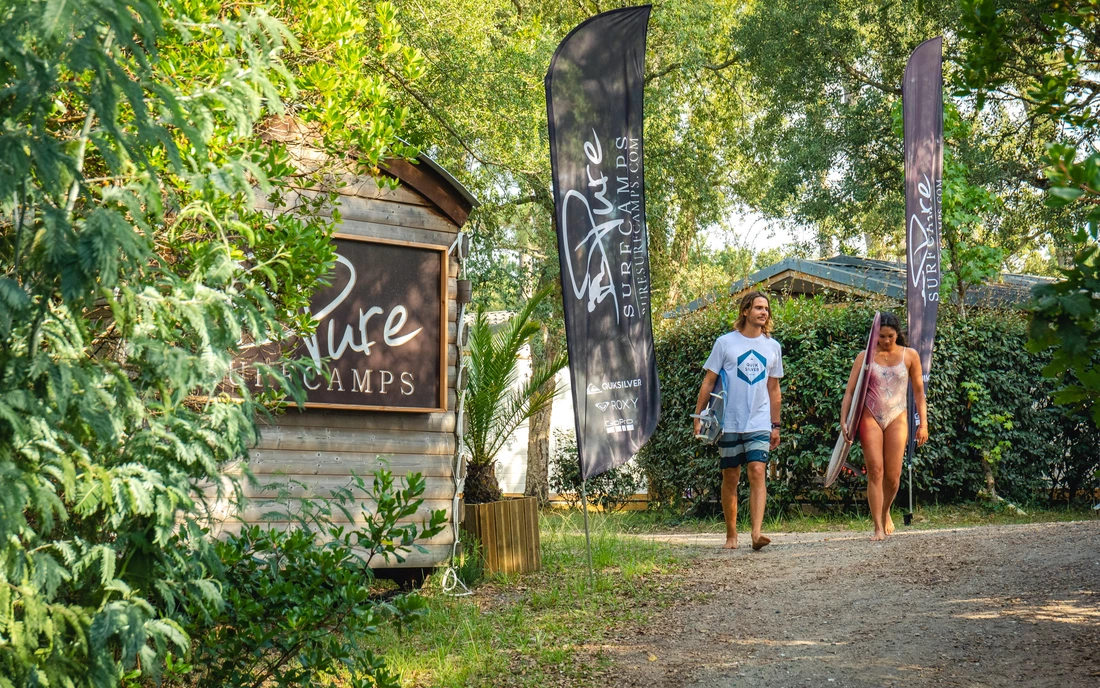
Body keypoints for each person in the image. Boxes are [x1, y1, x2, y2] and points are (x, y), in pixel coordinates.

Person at [693, 291, 783, 551]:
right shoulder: (725, 343)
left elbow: (774, 388)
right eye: (758, 307)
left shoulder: (772, 347)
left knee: (757, 471)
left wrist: (775, 425)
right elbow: (709, 381)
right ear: (745, 311)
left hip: (759, 421)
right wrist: (699, 416)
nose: (763, 312)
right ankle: (731, 534)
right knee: (730, 476)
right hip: (728, 422)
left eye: (766, 308)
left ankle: (756, 534)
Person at [839, 312, 929, 541]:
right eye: (881, 336)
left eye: (890, 336)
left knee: (893, 476)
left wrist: (923, 423)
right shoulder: (865, 356)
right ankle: (877, 526)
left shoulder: (910, 355)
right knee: (875, 471)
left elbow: (919, 391)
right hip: (870, 417)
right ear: (874, 336)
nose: (886, 341)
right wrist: (845, 419)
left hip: (897, 417)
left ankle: (885, 509)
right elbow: (850, 391)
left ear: (897, 333)